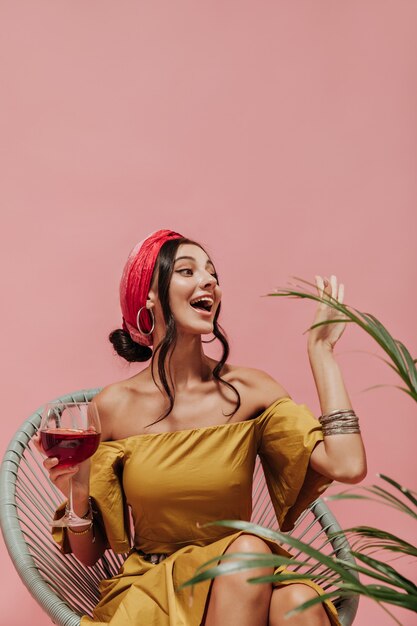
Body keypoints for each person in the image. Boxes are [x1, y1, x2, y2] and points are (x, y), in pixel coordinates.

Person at [40, 229, 367, 626]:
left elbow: (348, 465)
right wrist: (75, 490)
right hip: (157, 591)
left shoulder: (250, 391)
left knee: (297, 600)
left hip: (248, 573)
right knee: (256, 558)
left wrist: (323, 352)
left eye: (212, 273)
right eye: (187, 271)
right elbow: (90, 554)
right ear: (150, 296)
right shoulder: (113, 407)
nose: (208, 280)